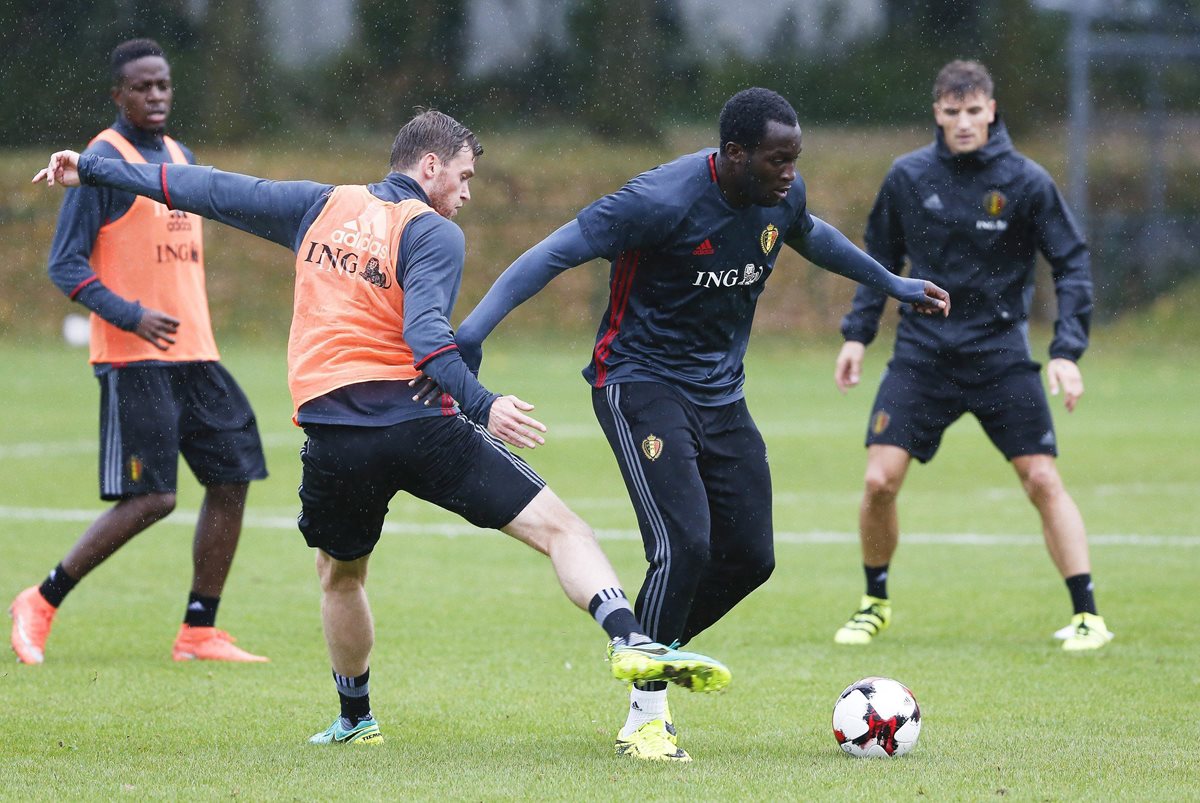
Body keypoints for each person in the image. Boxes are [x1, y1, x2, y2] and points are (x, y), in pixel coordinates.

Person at [33, 109, 732, 749]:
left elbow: (202, 188)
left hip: (336, 437)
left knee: (340, 575)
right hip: (422, 425)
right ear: (429, 166)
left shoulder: (317, 205)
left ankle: (354, 717)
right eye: (464, 176)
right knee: (562, 529)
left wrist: (90, 168)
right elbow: (427, 336)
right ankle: (627, 636)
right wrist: (484, 404)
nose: (467, 193)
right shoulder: (433, 232)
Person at [453, 88, 950, 762]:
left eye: (795, 159)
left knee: (750, 556)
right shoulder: (659, 200)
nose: (790, 174)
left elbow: (811, 235)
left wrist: (893, 283)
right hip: (638, 383)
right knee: (685, 544)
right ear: (735, 153)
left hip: (721, 394)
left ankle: (646, 643)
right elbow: (553, 253)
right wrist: (473, 332)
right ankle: (646, 718)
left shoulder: (782, 195)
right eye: (777, 160)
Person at [831, 60, 1111, 652]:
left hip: (999, 356)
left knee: (1042, 479)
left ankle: (1087, 614)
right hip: (922, 355)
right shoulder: (908, 176)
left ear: (991, 110)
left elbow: (1071, 262)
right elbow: (876, 261)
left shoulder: (1026, 181)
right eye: (952, 111)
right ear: (937, 112)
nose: (964, 122)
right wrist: (857, 334)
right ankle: (874, 602)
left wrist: (1066, 351)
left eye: (974, 111)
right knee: (879, 481)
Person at [9, 39, 269, 665]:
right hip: (133, 359)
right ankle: (40, 600)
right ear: (118, 95)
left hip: (196, 353)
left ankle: (198, 630)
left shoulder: (182, 158)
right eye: (142, 87)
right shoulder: (100, 161)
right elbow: (64, 264)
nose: (156, 95)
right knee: (152, 497)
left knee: (233, 475)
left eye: (163, 85)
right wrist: (131, 314)